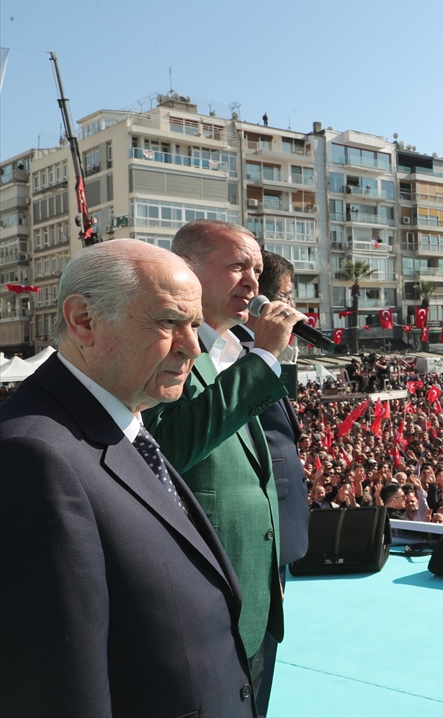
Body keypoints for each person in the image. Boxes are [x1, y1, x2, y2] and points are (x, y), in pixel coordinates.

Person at [1, 240, 255, 716]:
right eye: (168, 322)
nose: (192, 347)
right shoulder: (32, 455)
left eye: (196, 324)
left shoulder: (124, 425)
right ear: (83, 321)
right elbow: (57, 689)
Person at [143, 220, 297, 703]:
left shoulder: (233, 349)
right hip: (204, 601)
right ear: (187, 271)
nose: (253, 282)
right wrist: (267, 356)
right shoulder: (164, 347)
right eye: (237, 267)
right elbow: (171, 445)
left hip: (254, 596)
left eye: (256, 268)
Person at [232, 251, 307, 716]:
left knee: (265, 651)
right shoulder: (232, 349)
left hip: (277, 521)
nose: (292, 308)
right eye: (284, 298)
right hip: (255, 519)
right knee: (248, 654)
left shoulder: (261, 349)